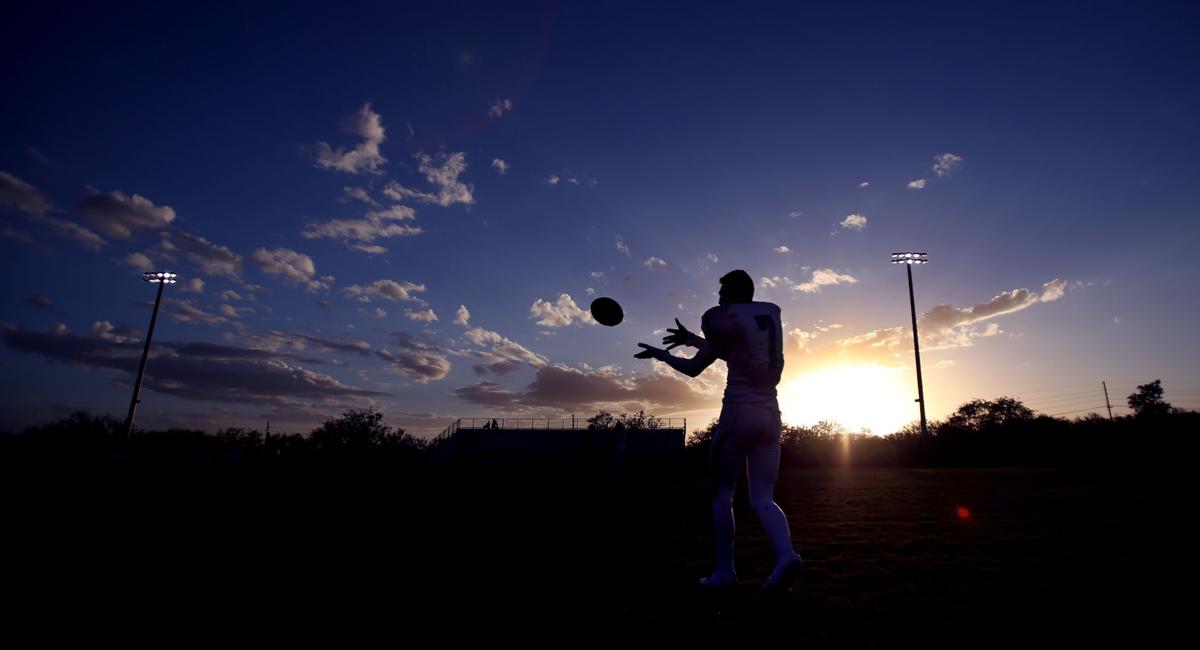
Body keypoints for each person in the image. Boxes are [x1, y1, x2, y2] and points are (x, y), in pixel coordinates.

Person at [635, 269, 804, 595]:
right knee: (763, 497)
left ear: (736, 292)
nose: (719, 298)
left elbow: (694, 368)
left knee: (721, 494)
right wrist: (692, 340)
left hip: (739, 413)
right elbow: (731, 350)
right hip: (771, 414)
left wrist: (661, 354)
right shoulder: (767, 316)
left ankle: (725, 572)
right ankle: (786, 556)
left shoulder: (722, 317)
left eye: (723, 291)